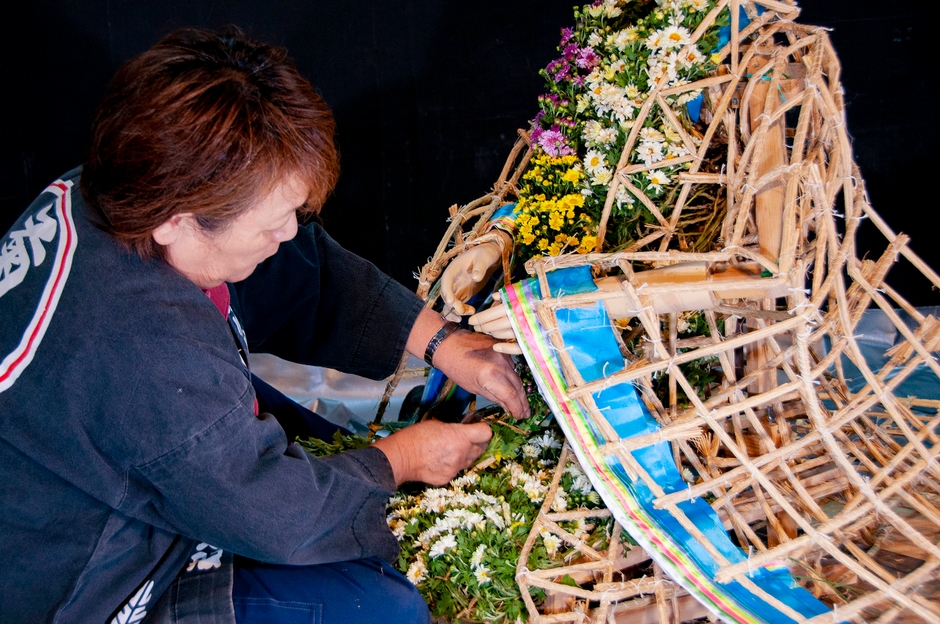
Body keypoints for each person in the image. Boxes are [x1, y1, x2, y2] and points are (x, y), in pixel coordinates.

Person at [0, 27, 528, 624]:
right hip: (74, 574)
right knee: (380, 605)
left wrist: (443, 341)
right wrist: (401, 460)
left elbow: (306, 273)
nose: (287, 235)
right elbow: (274, 514)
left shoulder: (128, 184)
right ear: (178, 220)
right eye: (272, 223)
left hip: (137, 441)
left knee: (315, 445)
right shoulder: (138, 344)